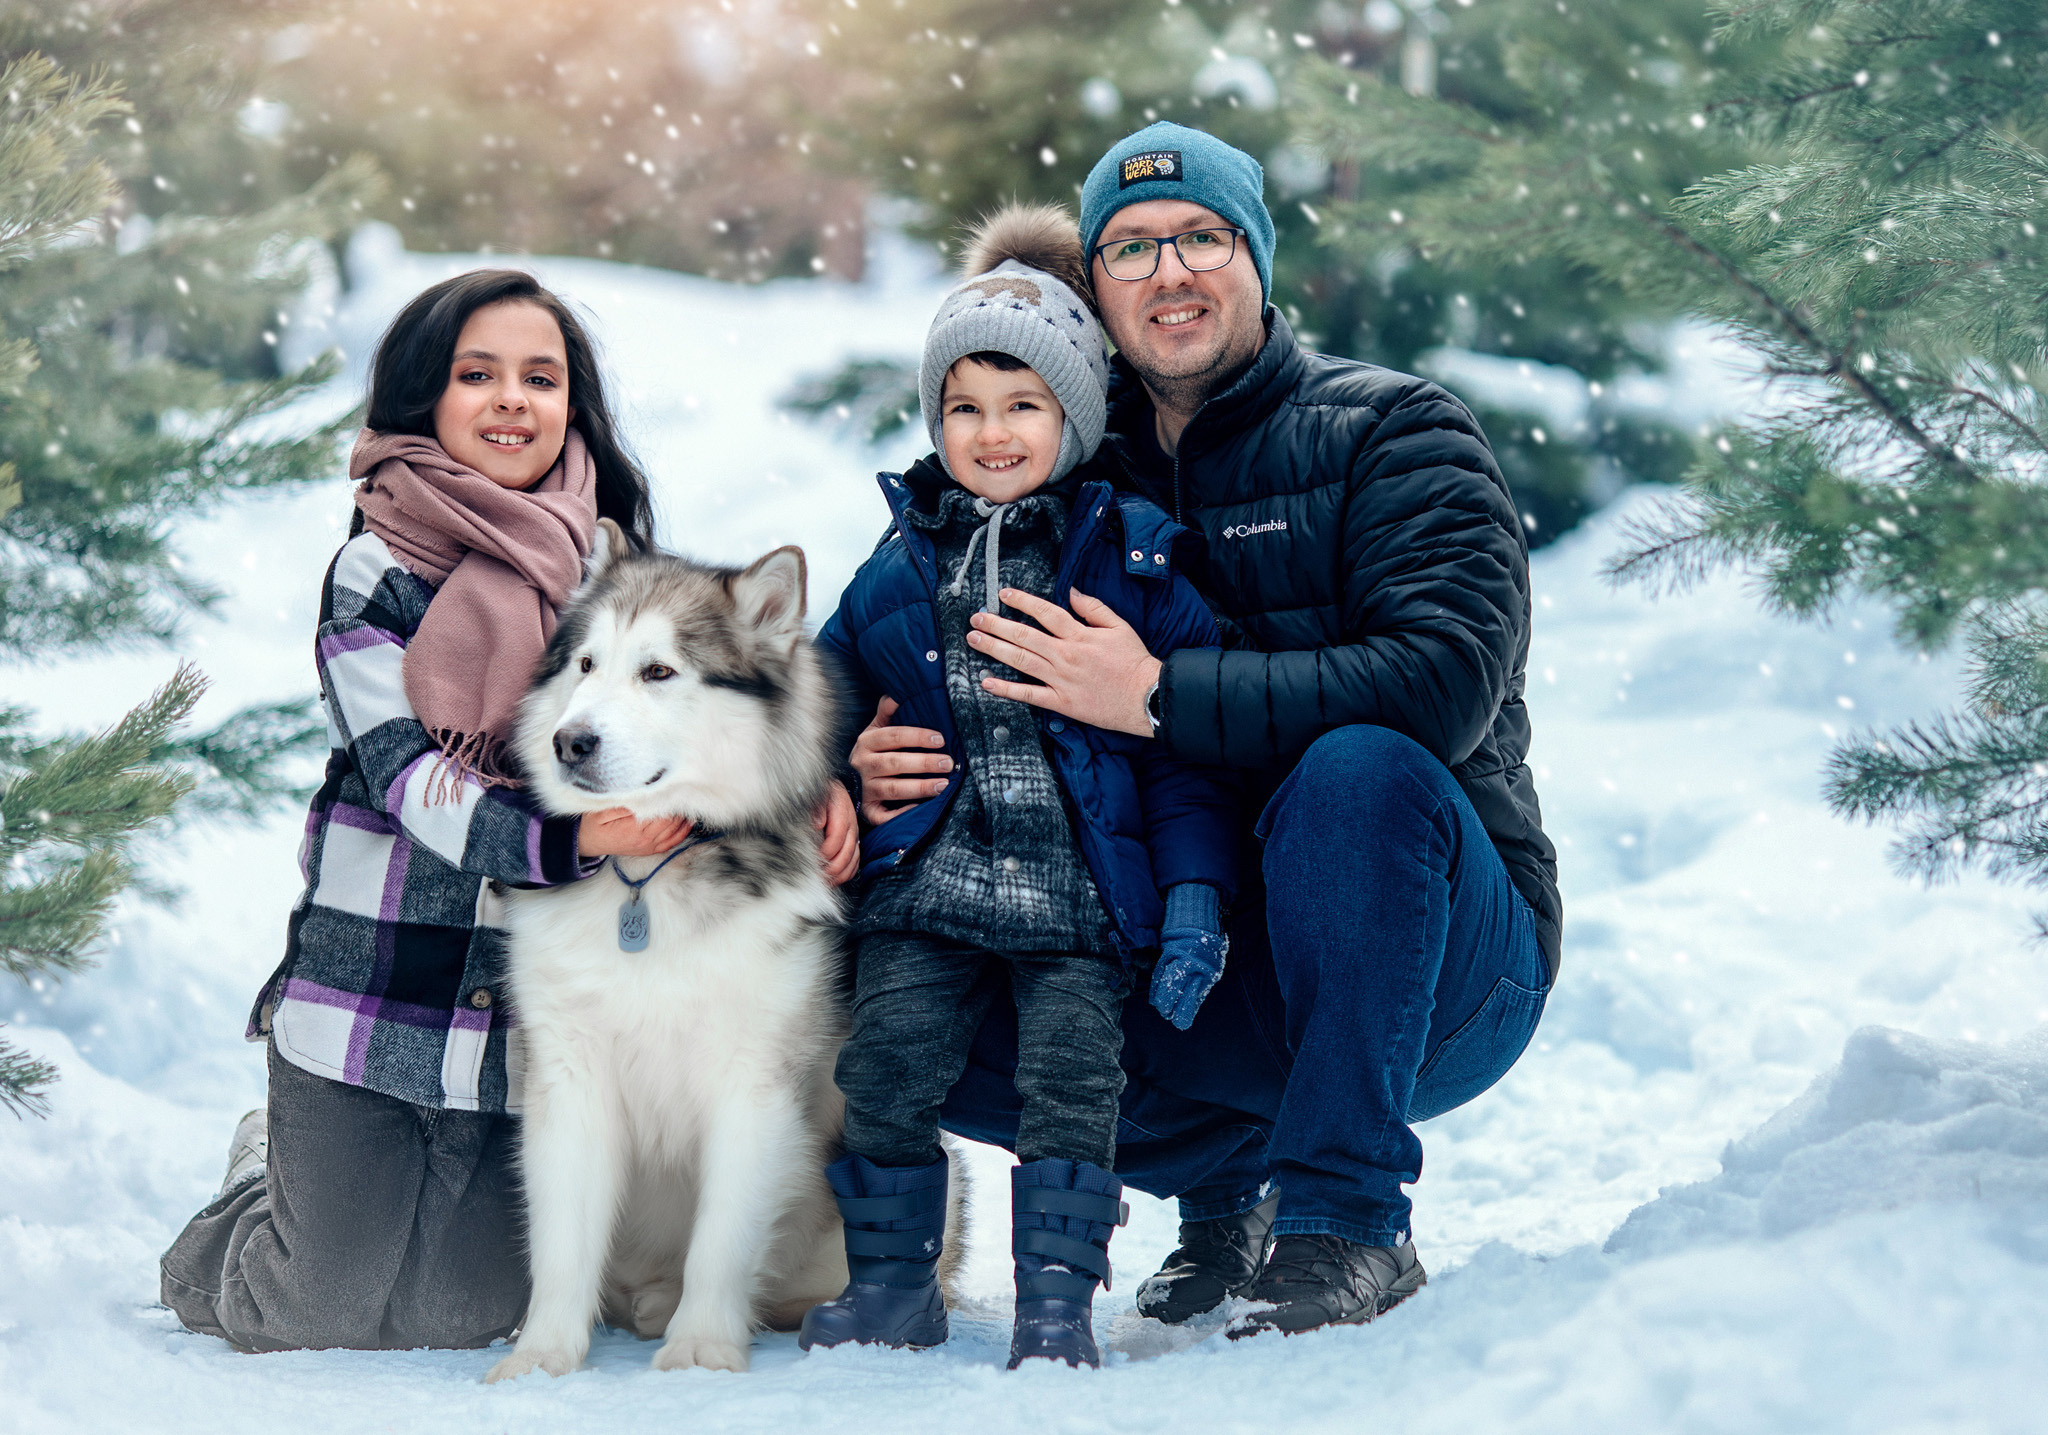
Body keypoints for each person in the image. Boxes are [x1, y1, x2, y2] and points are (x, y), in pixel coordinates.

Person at [850, 123, 1562, 1338]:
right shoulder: (1056, 449)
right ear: (1093, 285)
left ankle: (1343, 1220)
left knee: (1357, 769)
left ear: (1255, 256)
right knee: (867, 942)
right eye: (1129, 248)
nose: (1168, 270)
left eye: (1200, 236)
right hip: (1189, 957)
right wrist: (862, 761)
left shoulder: (1393, 431)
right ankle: (1222, 1190)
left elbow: (1440, 683)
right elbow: (900, 633)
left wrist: (1155, 693)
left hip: (1441, 959)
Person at [159, 269, 859, 1352]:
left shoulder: (605, 568)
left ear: (573, 405)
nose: (510, 401)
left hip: (509, 1027)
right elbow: (413, 783)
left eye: (541, 377)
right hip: (378, 985)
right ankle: (252, 1191)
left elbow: (713, 711)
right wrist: (573, 840)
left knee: (463, 1310)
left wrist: (816, 783)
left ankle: (339, 1203)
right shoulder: (376, 571)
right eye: (475, 374)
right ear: (424, 397)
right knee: (317, 1305)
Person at [803, 205, 1238, 1369]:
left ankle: (1055, 1299)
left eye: (1022, 406)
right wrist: (833, 772)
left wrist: (1193, 895)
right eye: (964, 408)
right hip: (926, 889)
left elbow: (1183, 761)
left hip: (1078, 901)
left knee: (1072, 1083)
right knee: (883, 1063)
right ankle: (890, 1285)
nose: (991, 434)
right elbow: (820, 689)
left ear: (1075, 417)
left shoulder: (1134, 562)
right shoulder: (899, 564)